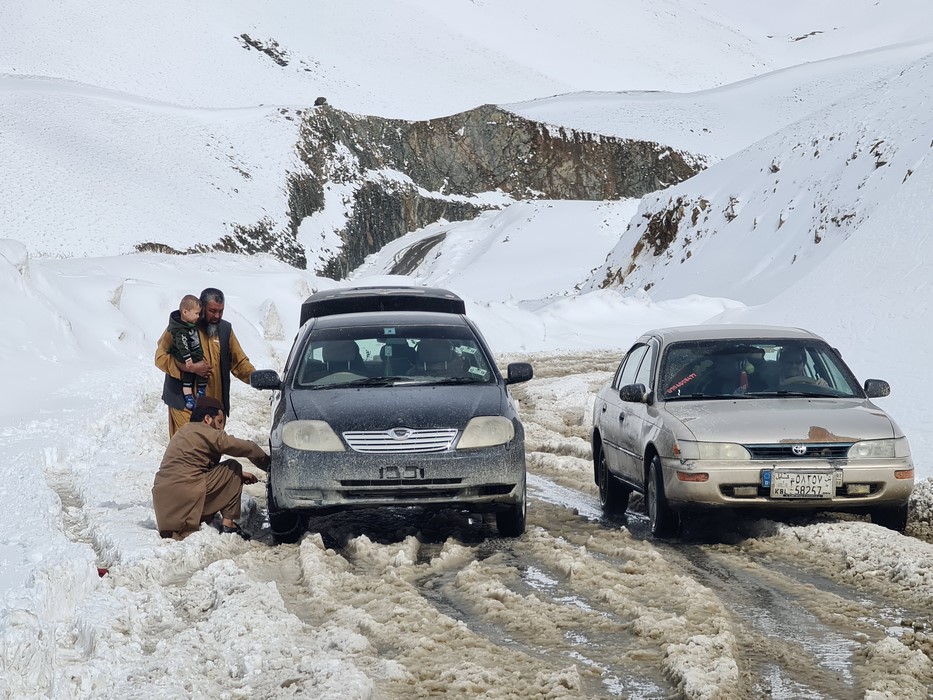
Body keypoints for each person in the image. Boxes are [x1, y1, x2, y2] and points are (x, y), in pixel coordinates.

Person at [152, 397, 270, 540]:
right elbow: (247, 448)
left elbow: (195, 467)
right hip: (185, 493)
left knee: (232, 471)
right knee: (233, 465)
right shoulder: (204, 430)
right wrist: (271, 466)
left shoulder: (184, 431)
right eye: (219, 422)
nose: (221, 428)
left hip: (165, 506)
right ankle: (229, 525)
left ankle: (184, 523)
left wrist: (238, 475)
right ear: (207, 418)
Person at [155, 287, 257, 437]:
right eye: (212, 311)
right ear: (201, 308)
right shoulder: (180, 326)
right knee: (188, 451)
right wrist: (189, 368)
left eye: (221, 311)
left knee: (210, 454)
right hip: (184, 405)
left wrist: (255, 377)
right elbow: (160, 357)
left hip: (214, 408)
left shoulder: (225, 330)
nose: (217, 316)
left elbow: (239, 362)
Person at [166, 294, 206, 411]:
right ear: (185, 312)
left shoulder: (195, 326)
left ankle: (201, 394)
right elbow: (160, 357)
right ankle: (189, 399)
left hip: (209, 408)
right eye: (197, 313)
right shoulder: (176, 330)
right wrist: (187, 365)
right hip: (179, 403)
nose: (199, 317)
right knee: (187, 380)